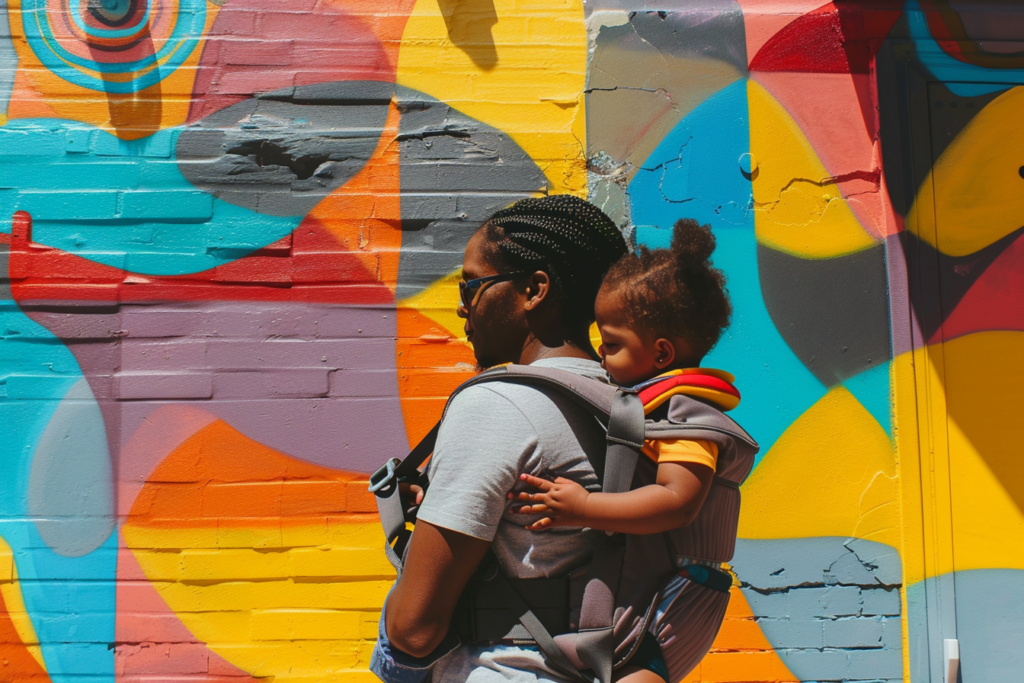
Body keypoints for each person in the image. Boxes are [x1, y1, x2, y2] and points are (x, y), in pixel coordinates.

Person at [379, 195, 637, 682]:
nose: (461, 305)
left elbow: (414, 629)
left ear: (534, 290)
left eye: (473, 285)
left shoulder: (496, 404)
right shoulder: (626, 402)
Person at [508, 218, 737, 683]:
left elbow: (678, 501)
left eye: (611, 344)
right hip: (657, 594)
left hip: (673, 602)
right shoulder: (651, 404)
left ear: (662, 355)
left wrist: (585, 506)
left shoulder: (686, 415)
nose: (600, 355)